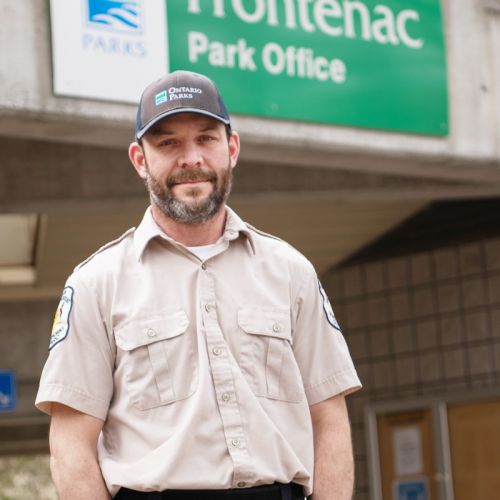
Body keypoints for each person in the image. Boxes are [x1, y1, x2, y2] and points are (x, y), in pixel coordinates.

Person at [36, 70, 361, 500]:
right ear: (139, 158)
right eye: (168, 143)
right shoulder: (96, 283)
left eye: (206, 138)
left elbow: (329, 416)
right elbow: (71, 445)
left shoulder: (290, 271)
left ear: (231, 149)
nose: (191, 158)